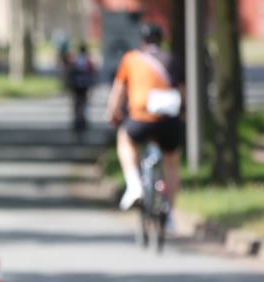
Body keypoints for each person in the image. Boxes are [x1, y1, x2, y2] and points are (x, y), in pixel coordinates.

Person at [105, 23, 184, 218]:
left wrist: (112, 114)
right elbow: (183, 93)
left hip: (140, 118)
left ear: (142, 41)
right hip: (168, 120)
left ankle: (134, 186)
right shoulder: (172, 60)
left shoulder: (131, 59)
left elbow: (118, 92)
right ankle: (170, 215)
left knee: (125, 140)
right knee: (172, 164)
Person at [68, 42, 95, 137]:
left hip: (76, 85)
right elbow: (92, 73)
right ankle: (82, 118)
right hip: (85, 85)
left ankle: (76, 119)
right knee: (83, 102)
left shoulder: (75, 60)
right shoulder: (88, 61)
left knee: (76, 103)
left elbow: (70, 72)